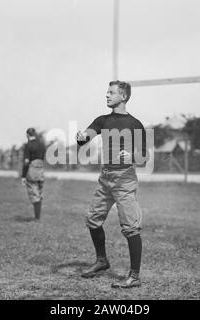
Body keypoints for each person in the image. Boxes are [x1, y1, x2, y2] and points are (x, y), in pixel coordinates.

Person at [76, 80, 149, 289]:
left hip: (125, 179)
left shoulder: (134, 124)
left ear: (123, 96)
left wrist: (132, 156)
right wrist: (81, 137)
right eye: (106, 92)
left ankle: (134, 276)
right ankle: (101, 261)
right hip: (105, 178)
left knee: (131, 228)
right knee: (93, 220)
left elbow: (144, 157)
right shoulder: (102, 120)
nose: (106, 96)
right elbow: (85, 137)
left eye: (111, 92)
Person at [21, 128, 46, 221]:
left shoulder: (28, 145)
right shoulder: (42, 144)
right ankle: (37, 216)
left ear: (27, 135)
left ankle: (37, 217)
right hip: (41, 169)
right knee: (39, 192)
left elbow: (26, 161)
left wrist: (23, 176)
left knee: (34, 193)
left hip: (32, 169)